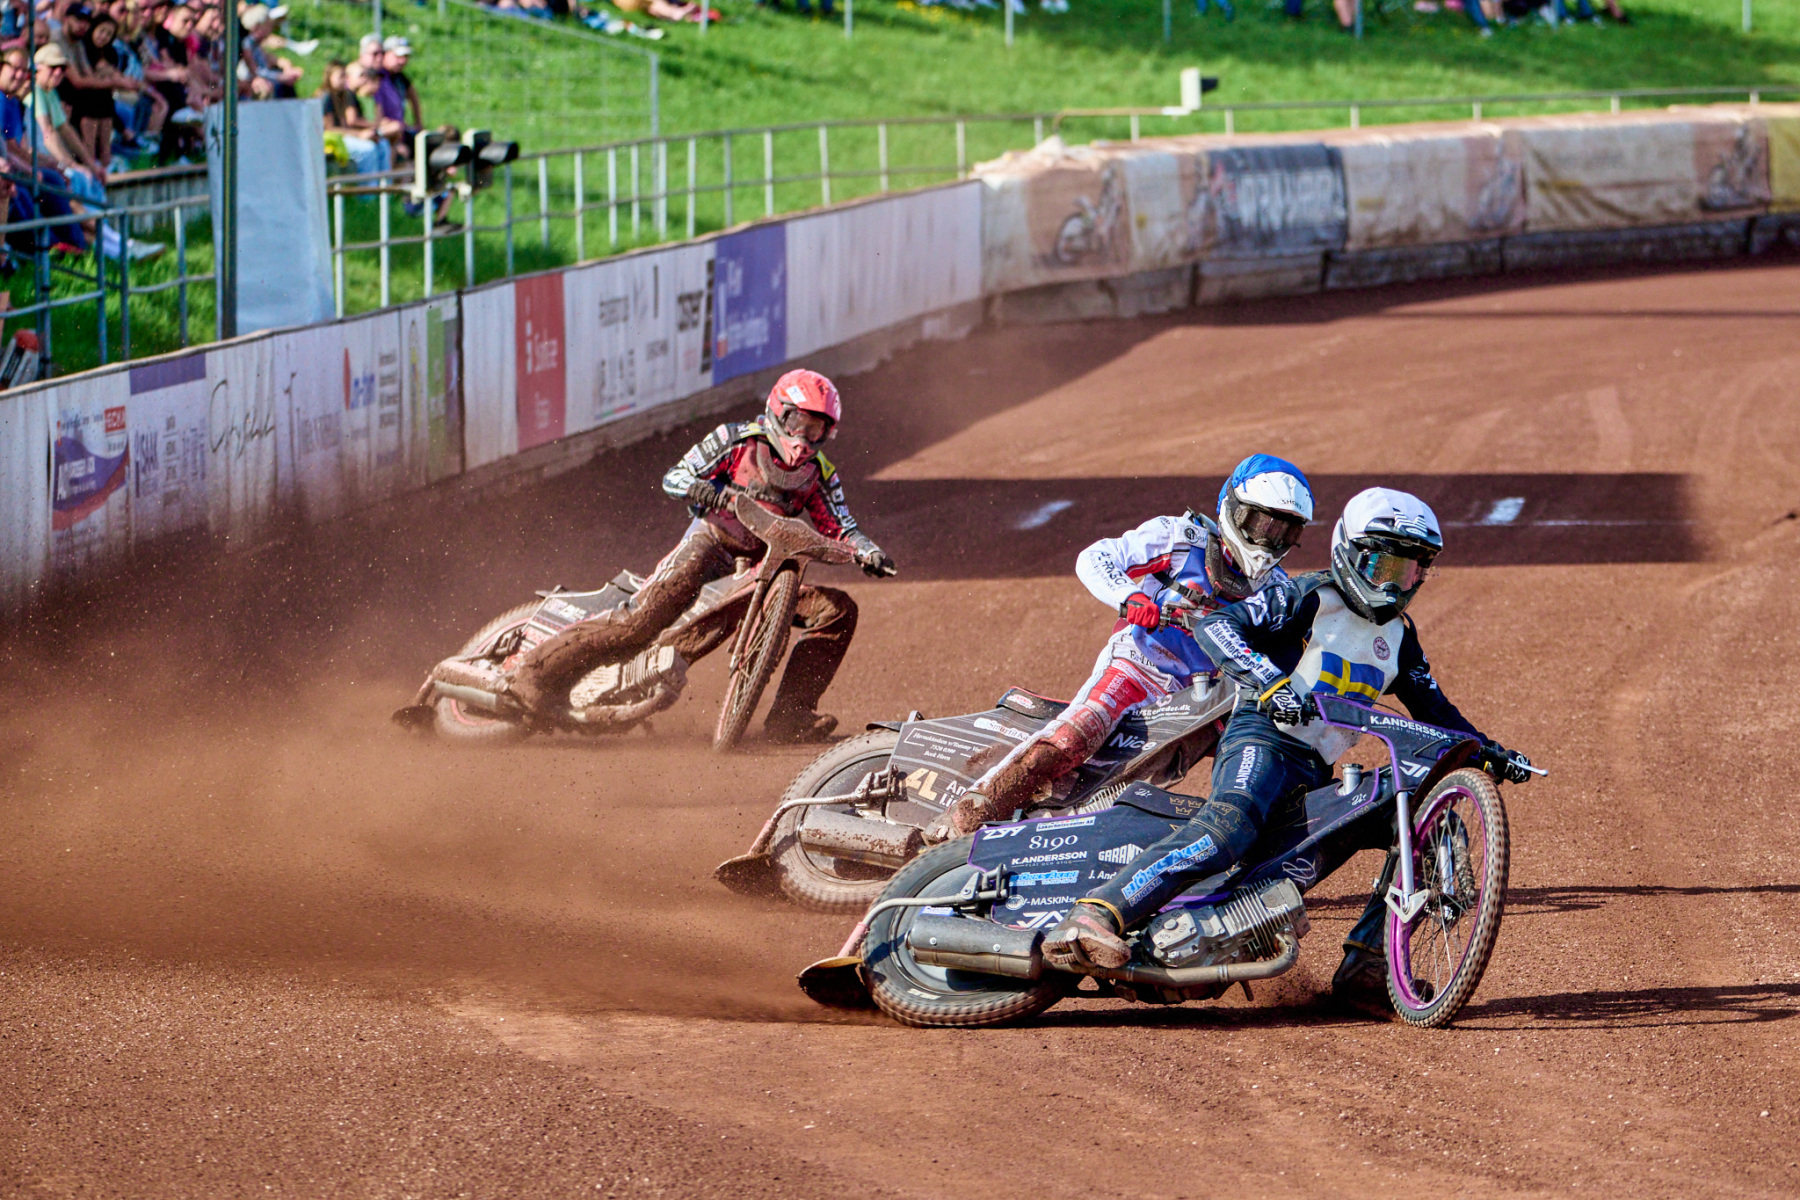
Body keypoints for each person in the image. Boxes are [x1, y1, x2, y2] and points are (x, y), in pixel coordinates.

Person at [1039, 487, 1534, 1007]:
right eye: (1383, 565)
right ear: (1349, 551)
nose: (1394, 583)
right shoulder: (1308, 596)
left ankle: (1367, 966)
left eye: (1409, 571)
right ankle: (1096, 914)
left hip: (1316, 769)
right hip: (1261, 737)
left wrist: (1489, 751)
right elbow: (1218, 625)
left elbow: (1439, 714)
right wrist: (1269, 682)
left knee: (1414, 820)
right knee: (1228, 832)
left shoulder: (1400, 638)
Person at [923, 454, 1316, 842]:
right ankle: (964, 819)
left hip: (1210, 697)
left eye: (1285, 533)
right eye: (1262, 524)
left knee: (1251, 755)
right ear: (1233, 509)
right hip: (1139, 666)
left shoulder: (1278, 589)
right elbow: (1096, 557)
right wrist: (1130, 597)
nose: (1270, 541)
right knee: (1072, 738)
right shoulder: (1180, 537)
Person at [497, 369, 896, 743]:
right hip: (709, 544)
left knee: (837, 610)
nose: (804, 439)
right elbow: (675, 477)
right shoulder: (736, 439)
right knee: (640, 622)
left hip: (763, 568)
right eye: (798, 424)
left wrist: (869, 551)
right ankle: (532, 674)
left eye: (816, 430)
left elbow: (842, 527)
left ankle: (791, 715)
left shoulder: (820, 473)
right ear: (778, 412)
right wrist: (707, 491)